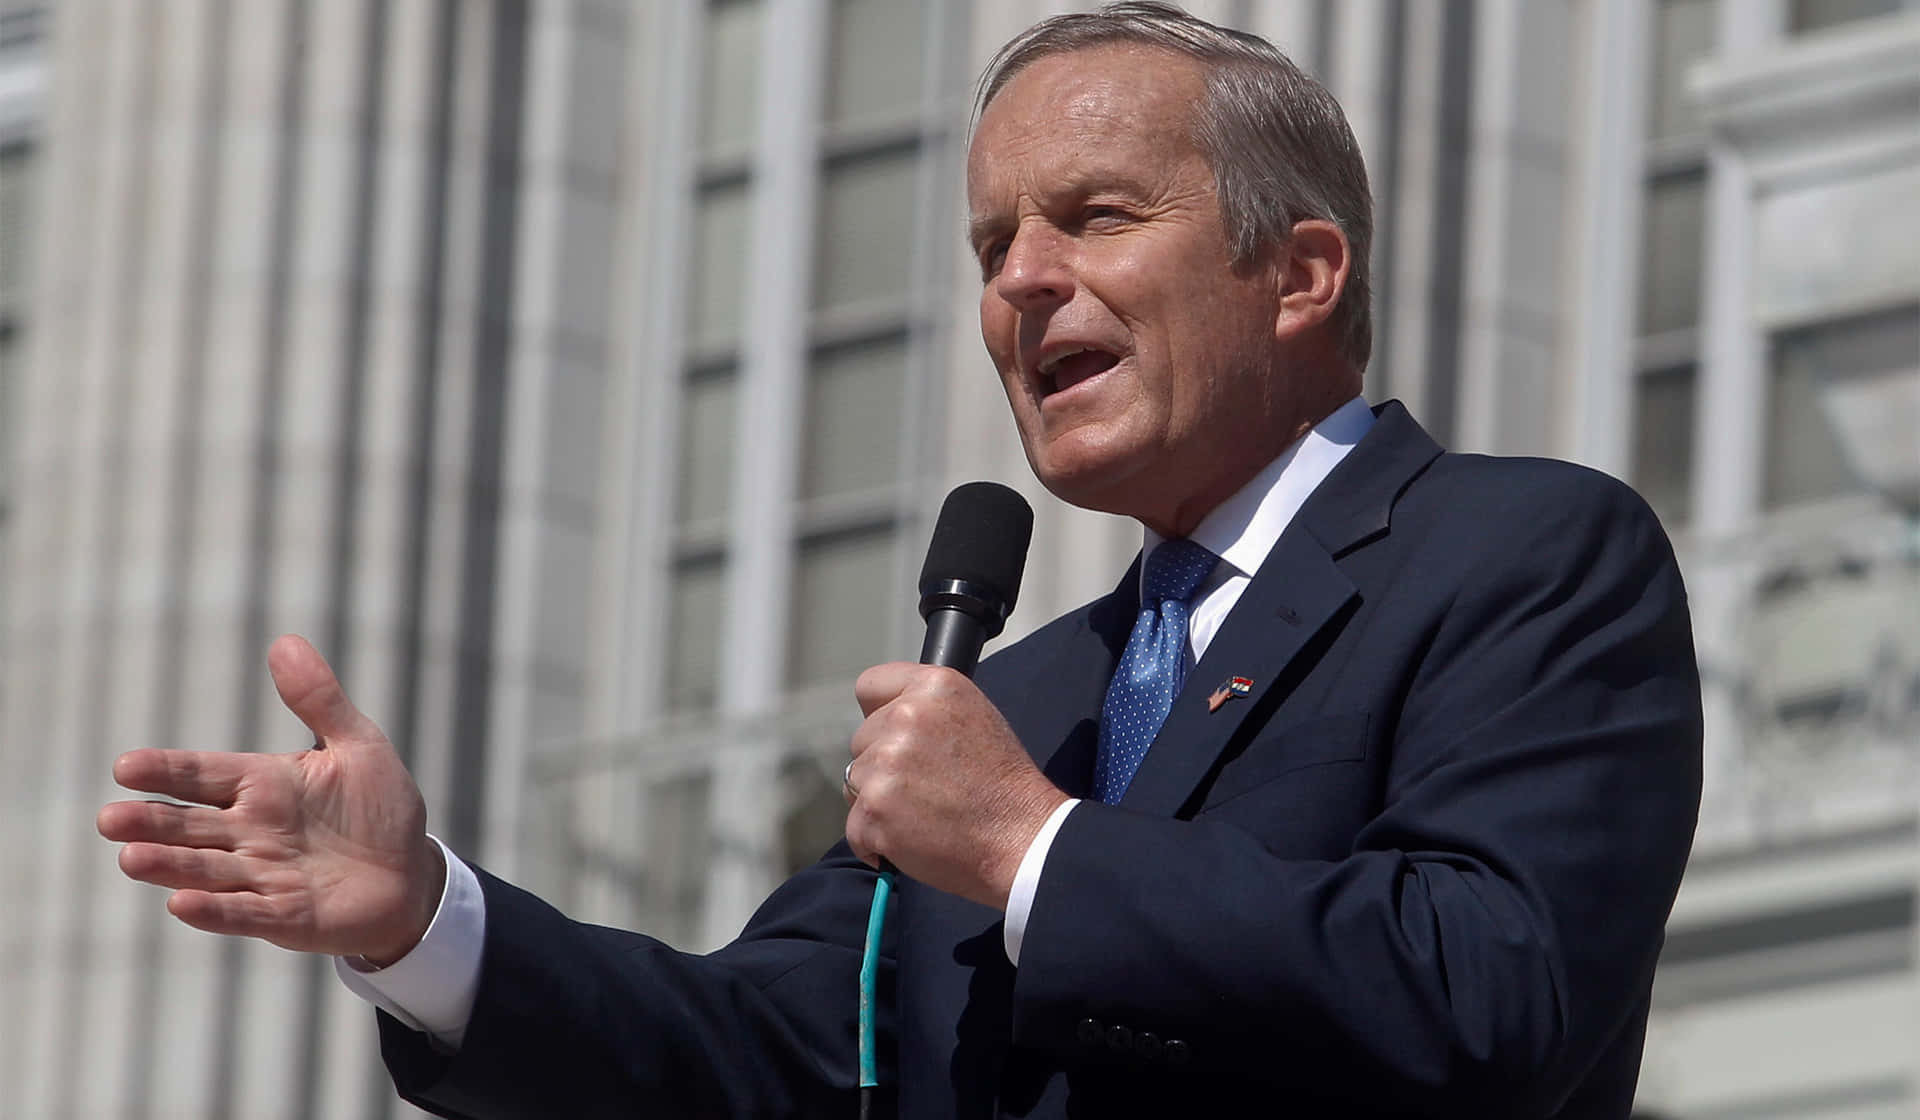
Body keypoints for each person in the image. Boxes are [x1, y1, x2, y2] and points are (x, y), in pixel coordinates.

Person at [98, 4, 1702, 1117]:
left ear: (1299, 274)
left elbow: (1490, 994)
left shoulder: (1526, 554)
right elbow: (754, 1060)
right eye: (993, 243)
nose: (1022, 282)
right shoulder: (1012, 697)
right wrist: (424, 923)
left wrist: (1032, 849)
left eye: (1093, 215)